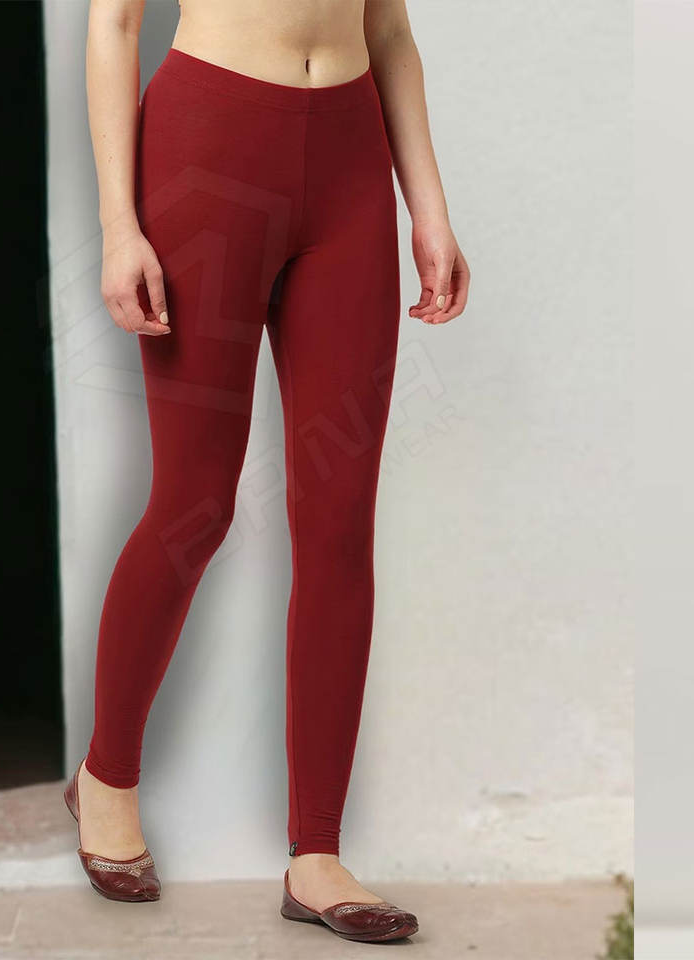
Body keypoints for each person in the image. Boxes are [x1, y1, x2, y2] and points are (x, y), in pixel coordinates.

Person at [64, 0, 470, 942]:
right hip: (209, 147)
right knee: (194, 504)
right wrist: (120, 226)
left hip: (351, 169)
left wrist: (429, 208)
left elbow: (389, 31)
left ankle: (317, 854)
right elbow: (113, 24)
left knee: (338, 521)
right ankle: (107, 776)